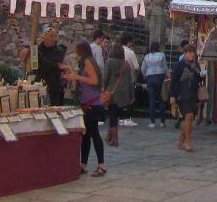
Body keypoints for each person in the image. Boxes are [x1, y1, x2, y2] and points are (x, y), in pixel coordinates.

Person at [63, 41, 106, 176]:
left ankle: (101, 165)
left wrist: (75, 76)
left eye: (76, 51)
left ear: (80, 51)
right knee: (86, 134)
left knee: (94, 134)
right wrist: (70, 70)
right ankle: (83, 164)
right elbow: (81, 79)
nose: (75, 54)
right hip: (87, 103)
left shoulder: (88, 62)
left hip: (92, 104)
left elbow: (94, 81)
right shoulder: (85, 63)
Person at [20, 24, 66, 105]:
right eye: (51, 36)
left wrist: (35, 51)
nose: (54, 39)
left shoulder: (59, 51)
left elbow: (48, 66)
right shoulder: (38, 49)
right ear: (43, 37)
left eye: (55, 36)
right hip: (38, 88)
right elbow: (33, 66)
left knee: (50, 111)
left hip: (52, 90)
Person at [170, 43, 202, 152]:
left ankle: (181, 139)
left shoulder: (196, 65)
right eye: (190, 52)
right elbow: (173, 81)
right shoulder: (179, 65)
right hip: (182, 95)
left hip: (193, 94)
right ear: (185, 53)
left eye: (193, 52)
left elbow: (198, 79)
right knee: (188, 116)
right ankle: (187, 141)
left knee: (190, 118)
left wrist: (201, 75)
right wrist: (172, 95)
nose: (192, 55)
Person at [102, 45, 133, 147]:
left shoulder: (109, 62)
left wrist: (103, 89)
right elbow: (130, 81)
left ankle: (114, 139)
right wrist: (131, 95)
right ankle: (109, 136)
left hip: (111, 92)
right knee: (116, 115)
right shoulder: (126, 64)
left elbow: (105, 77)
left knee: (112, 115)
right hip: (123, 94)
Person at [140, 41, 168, 127]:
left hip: (150, 77)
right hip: (160, 77)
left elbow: (142, 68)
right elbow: (165, 67)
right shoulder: (162, 55)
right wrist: (166, 75)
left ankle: (152, 122)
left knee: (151, 99)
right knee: (162, 98)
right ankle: (162, 121)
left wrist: (144, 75)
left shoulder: (147, 56)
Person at [120, 34, 140, 127]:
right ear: (128, 41)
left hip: (118, 78)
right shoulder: (130, 52)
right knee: (130, 99)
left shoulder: (117, 50)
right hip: (128, 78)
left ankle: (120, 118)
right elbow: (136, 67)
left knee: (119, 98)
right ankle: (128, 118)